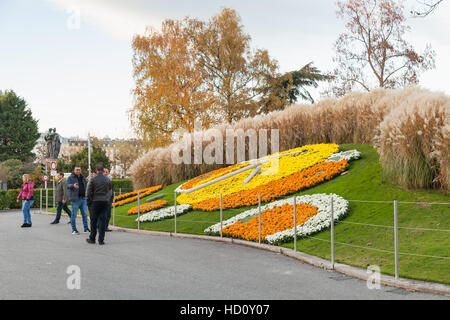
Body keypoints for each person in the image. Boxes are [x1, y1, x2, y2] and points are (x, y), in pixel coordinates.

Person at [86, 165, 112, 245]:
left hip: (95, 201)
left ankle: (92, 238)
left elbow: (89, 191)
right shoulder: (107, 179)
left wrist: (89, 202)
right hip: (104, 201)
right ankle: (101, 240)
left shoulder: (93, 179)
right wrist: (107, 199)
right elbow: (109, 190)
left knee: (93, 221)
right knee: (102, 221)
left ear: (96, 170)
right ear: (103, 170)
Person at [67, 166, 90, 235]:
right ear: (74, 170)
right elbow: (67, 185)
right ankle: (74, 230)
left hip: (83, 198)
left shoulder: (83, 178)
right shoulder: (71, 177)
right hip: (75, 199)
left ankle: (86, 228)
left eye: (79, 170)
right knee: (74, 215)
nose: (78, 171)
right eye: (77, 170)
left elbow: (85, 186)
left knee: (85, 214)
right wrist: (72, 185)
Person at [103, 168, 113, 232]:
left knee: (108, 214)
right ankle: (100, 227)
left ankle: (106, 226)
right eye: (105, 172)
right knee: (103, 214)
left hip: (110, 198)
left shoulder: (110, 179)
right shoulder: (101, 180)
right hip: (103, 199)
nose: (106, 173)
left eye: (107, 172)